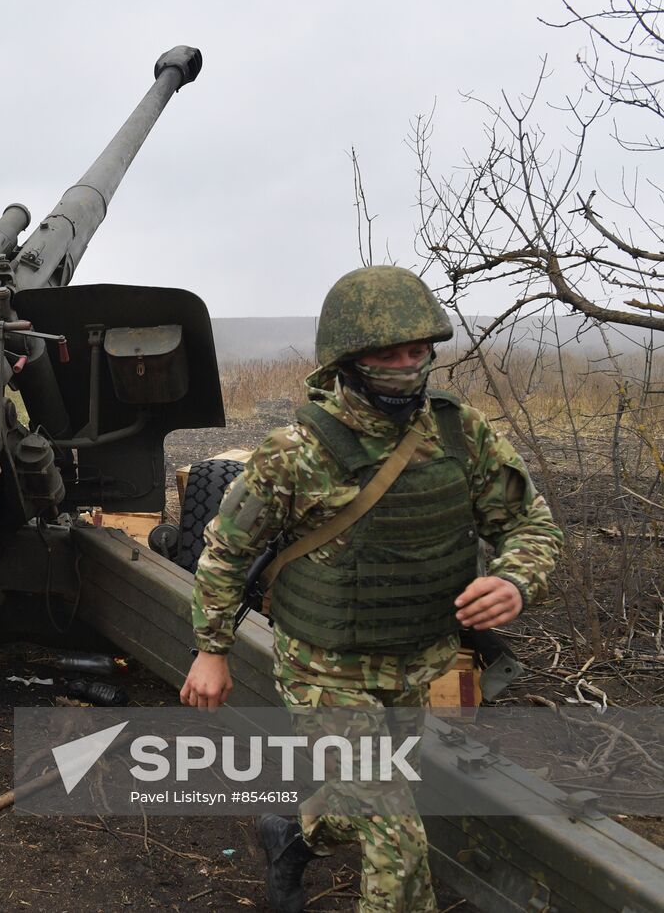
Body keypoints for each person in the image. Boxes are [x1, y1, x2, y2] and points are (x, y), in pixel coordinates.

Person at [178, 266, 562, 913]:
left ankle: (292, 838)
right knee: (398, 839)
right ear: (349, 360)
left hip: (413, 660)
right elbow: (226, 550)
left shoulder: (459, 432)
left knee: (362, 796)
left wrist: (516, 579)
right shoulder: (295, 453)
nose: (407, 367)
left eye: (417, 352)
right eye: (388, 353)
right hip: (324, 668)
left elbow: (530, 523)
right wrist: (211, 649)